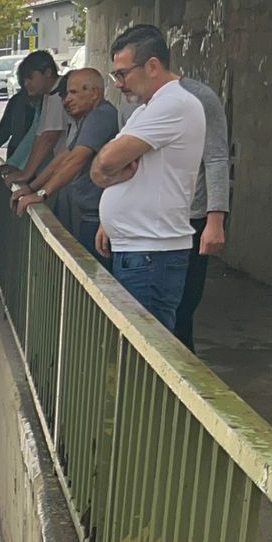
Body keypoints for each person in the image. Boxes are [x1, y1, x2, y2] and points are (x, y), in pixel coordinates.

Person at [92, 24, 207, 336]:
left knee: (141, 358)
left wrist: (105, 173)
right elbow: (107, 168)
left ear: (152, 66)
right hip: (140, 250)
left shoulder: (173, 105)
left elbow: (104, 162)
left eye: (122, 74)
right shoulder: (148, 108)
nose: (118, 84)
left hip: (151, 255)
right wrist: (111, 220)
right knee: (134, 354)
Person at [12, 67, 121, 257]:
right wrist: (31, 188)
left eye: (74, 92)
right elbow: (64, 156)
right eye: (66, 94)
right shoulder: (89, 119)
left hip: (99, 218)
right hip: (90, 215)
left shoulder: (100, 116)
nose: (67, 99)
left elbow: (76, 160)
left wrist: (42, 194)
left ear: (94, 93)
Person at [175, 71, 232, 347]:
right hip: (150, 220)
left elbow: (217, 158)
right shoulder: (134, 106)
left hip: (191, 218)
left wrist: (215, 219)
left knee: (183, 306)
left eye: (124, 73)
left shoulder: (199, 98)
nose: (120, 83)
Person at [1, 50, 67, 185]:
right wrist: (21, 168)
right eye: (24, 79)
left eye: (30, 78)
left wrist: (26, 174)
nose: (26, 84)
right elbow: (38, 136)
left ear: (48, 73)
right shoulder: (47, 96)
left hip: (70, 171)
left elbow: (48, 138)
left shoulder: (58, 93)